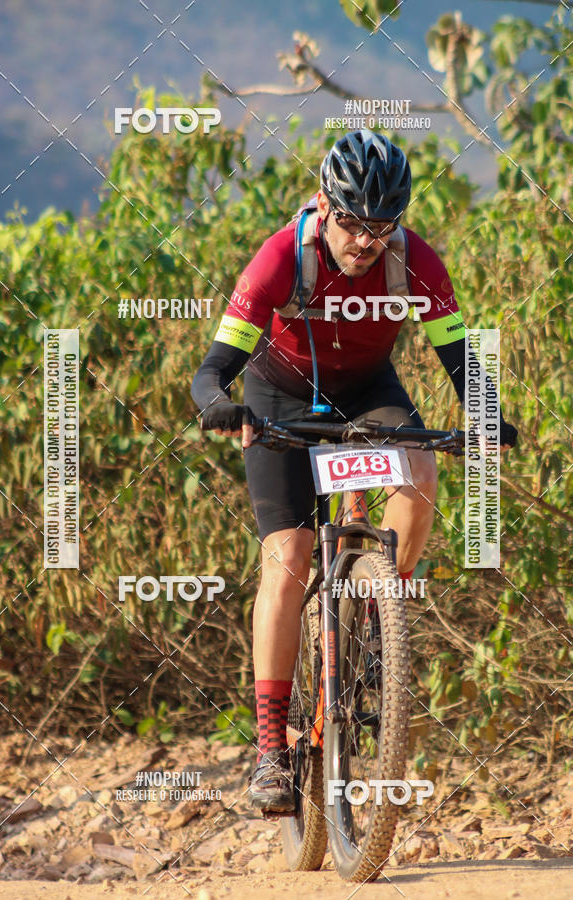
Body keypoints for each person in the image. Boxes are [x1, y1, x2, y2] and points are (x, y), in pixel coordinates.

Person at [191, 129, 517, 813]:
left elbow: (461, 363)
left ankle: (375, 613)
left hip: (369, 391)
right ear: (323, 203)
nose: (365, 241)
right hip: (277, 395)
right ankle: (270, 750)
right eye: (351, 222)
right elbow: (212, 371)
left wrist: (487, 417)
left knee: (421, 472)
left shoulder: (416, 262)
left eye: (382, 225)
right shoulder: (282, 256)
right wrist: (220, 408)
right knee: (289, 558)